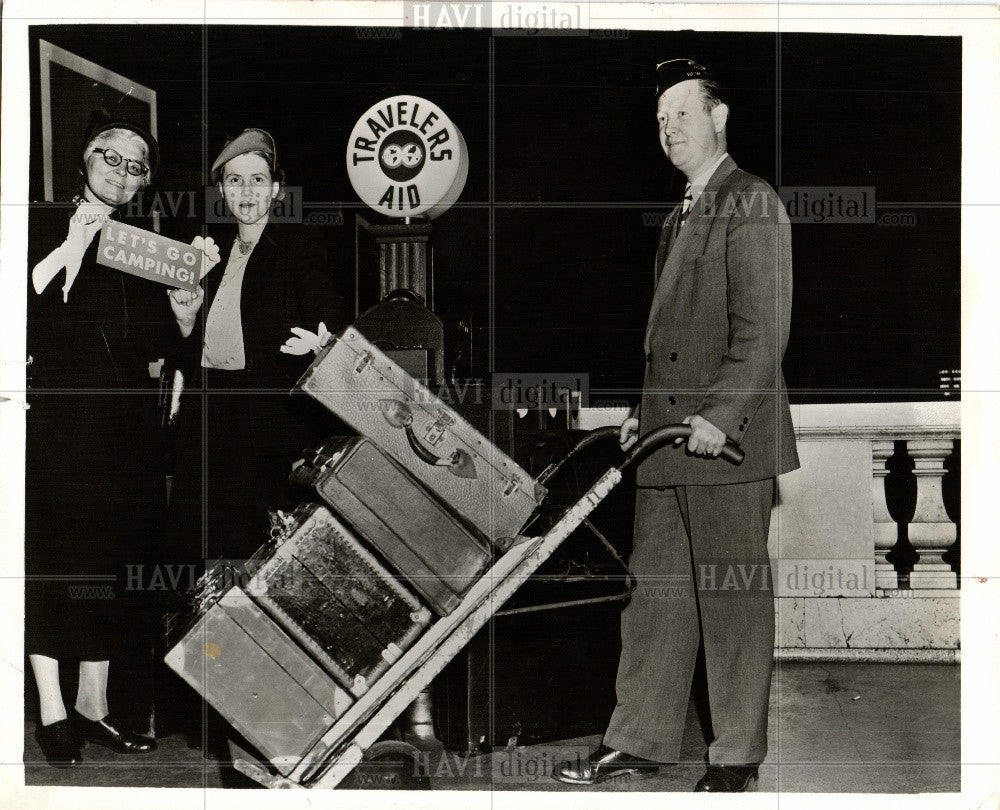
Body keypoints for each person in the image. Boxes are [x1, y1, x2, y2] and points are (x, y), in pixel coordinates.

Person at [555, 59, 799, 792]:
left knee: (732, 604)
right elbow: (675, 342)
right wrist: (643, 416)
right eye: (660, 121)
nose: (668, 131)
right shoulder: (681, 212)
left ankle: (735, 757)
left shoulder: (751, 202)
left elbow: (761, 337)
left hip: (725, 447)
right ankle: (639, 739)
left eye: (682, 115)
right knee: (653, 599)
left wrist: (719, 418)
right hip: (666, 446)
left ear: (718, 118)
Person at [25, 115, 174, 767]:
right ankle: (51, 712)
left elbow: (156, 345)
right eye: (109, 157)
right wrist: (70, 245)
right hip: (62, 420)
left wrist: (183, 320)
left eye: (135, 165)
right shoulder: (38, 220)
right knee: (60, 556)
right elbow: (21, 300)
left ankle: (94, 705)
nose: (120, 171)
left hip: (125, 427)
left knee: (114, 560)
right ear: (84, 159)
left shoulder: (144, 245)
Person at [165, 127, 350, 580]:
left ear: (276, 187)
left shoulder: (299, 244)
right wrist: (184, 317)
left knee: (255, 551)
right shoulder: (207, 251)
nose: (246, 191)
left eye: (257, 179)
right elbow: (186, 345)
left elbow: (333, 328)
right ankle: (206, 644)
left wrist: (322, 345)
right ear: (221, 189)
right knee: (200, 545)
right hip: (207, 413)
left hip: (263, 420)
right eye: (234, 180)